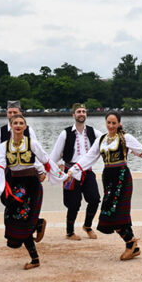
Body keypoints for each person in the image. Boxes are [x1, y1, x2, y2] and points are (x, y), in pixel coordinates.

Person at [67, 111, 142, 260]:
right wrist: (73, 170)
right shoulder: (101, 140)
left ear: (119, 124)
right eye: (109, 123)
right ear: (105, 123)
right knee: (110, 212)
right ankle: (133, 246)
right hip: (108, 178)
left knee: (115, 212)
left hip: (122, 178)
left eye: (114, 123)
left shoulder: (126, 138)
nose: (111, 126)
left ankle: (130, 244)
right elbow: (89, 158)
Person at [0, 114, 64, 270]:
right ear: (10, 126)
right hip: (13, 184)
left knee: (23, 220)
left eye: (21, 123)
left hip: (30, 185)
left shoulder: (32, 143)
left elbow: (45, 159)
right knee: (12, 218)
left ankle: (35, 258)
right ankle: (37, 224)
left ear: (25, 127)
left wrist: (59, 175)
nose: (18, 125)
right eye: (15, 123)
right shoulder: (4, 146)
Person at [50, 103, 103, 241]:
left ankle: (87, 226)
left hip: (87, 171)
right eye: (79, 112)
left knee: (95, 199)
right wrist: (49, 171)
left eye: (84, 111)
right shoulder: (65, 133)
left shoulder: (93, 132)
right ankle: (69, 232)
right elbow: (55, 156)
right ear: (74, 115)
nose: (81, 114)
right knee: (73, 204)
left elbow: (107, 141)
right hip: (70, 173)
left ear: (86, 114)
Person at [0, 100, 39, 173]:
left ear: (20, 113)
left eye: (15, 112)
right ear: (7, 114)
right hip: (7, 172)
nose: (12, 115)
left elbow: (36, 151)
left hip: (27, 170)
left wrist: (40, 170)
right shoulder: (0, 132)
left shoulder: (29, 130)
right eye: (10, 112)